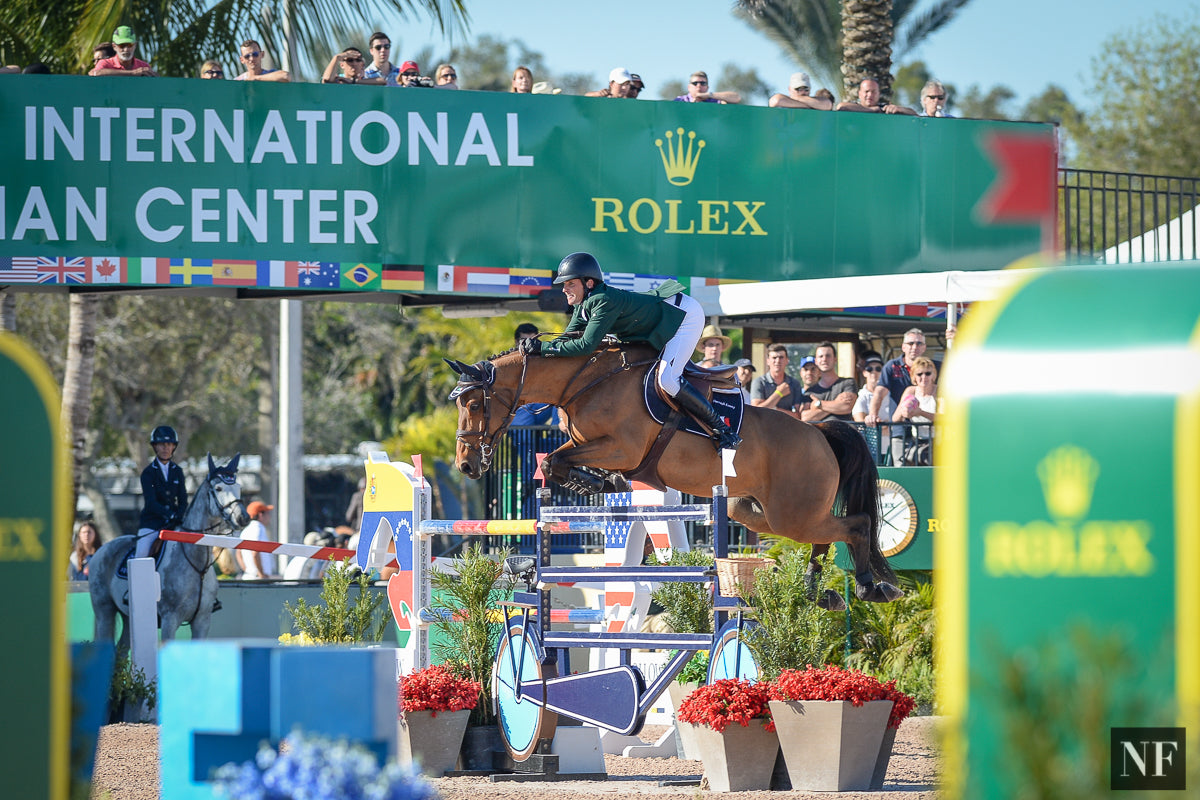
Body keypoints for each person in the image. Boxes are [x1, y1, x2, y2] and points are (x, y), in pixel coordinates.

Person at [523, 252, 740, 452]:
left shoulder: (602, 301)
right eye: (564, 284)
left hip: (683, 317)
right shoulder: (585, 305)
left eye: (570, 283)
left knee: (668, 379)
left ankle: (723, 430)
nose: (564, 289)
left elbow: (585, 346)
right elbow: (567, 339)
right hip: (662, 319)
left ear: (588, 283)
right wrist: (536, 351)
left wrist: (543, 347)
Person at [135, 425, 187, 560]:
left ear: (173, 447)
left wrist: (179, 515)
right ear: (155, 447)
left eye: (169, 444)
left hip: (174, 523)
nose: (165, 448)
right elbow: (151, 502)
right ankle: (138, 580)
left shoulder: (178, 471)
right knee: (142, 553)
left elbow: (183, 500)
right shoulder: (148, 473)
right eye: (161, 444)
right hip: (152, 523)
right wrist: (170, 514)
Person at [892, 357, 939, 465]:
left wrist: (920, 412)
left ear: (933, 375)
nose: (924, 377)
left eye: (928, 373)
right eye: (919, 374)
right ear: (914, 377)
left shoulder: (939, 391)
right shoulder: (910, 391)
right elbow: (895, 418)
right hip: (917, 441)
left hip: (937, 443)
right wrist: (905, 411)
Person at [801, 341, 858, 422]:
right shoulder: (810, 392)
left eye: (828, 356)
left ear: (835, 359)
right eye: (821, 356)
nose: (824, 359)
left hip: (844, 432)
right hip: (820, 434)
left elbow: (846, 407)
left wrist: (818, 404)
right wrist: (836, 404)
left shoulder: (848, 383)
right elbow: (805, 418)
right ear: (816, 361)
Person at [853, 351, 893, 461]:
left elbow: (898, 422)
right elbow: (860, 423)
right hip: (871, 450)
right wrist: (884, 426)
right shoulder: (862, 395)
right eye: (869, 369)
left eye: (878, 369)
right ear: (864, 372)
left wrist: (877, 425)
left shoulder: (892, 394)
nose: (874, 372)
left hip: (891, 449)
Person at [750, 344, 808, 418]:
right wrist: (778, 393)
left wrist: (774, 409)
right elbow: (756, 411)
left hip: (787, 427)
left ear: (787, 360)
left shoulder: (794, 383)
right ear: (768, 361)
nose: (777, 361)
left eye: (781, 357)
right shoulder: (759, 382)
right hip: (765, 428)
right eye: (774, 358)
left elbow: (798, 416)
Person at [89, 26, 156, 77]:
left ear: (135, 45)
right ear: (114, 46)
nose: (126, 49)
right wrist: (133, 73)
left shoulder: (143, 66)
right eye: (122, 45)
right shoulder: (105, 63)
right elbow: (96, 73)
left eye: (130, 45)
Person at [237, 501, 277, 579]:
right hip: (258, 579)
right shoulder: (258, 528)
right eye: (268, 513)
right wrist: (261, 573)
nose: (269, 516)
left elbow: (238, 554)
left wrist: (247, 570)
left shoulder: (246, 530)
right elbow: (255, 552)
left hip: (250, 576)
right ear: (260, 515)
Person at [836, 78, 916, 115]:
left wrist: (899, 109)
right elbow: (841, 106)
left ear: (879, 93)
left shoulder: (884, 108)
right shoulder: (853, 107)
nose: (870, 95)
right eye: (866, 91)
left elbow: (913, 113)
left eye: (873, 92)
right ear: (859, 93)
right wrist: (871, 110)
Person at [767, 72, 833, 110]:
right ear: (789, 89)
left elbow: (827, 104)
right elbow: (776, 101)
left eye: (806, 89)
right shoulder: (783, 100)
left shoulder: (818, 101)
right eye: (798, 89)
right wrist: (810, 105)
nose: (803, 92)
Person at [674, 70, 741, 104]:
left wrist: (709, 95)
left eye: (703, 83)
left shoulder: (714, 101)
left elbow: (736, 98)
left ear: (707, 87)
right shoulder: (681, 100)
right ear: (689, 87)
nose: (699, 85)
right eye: (695, 83)